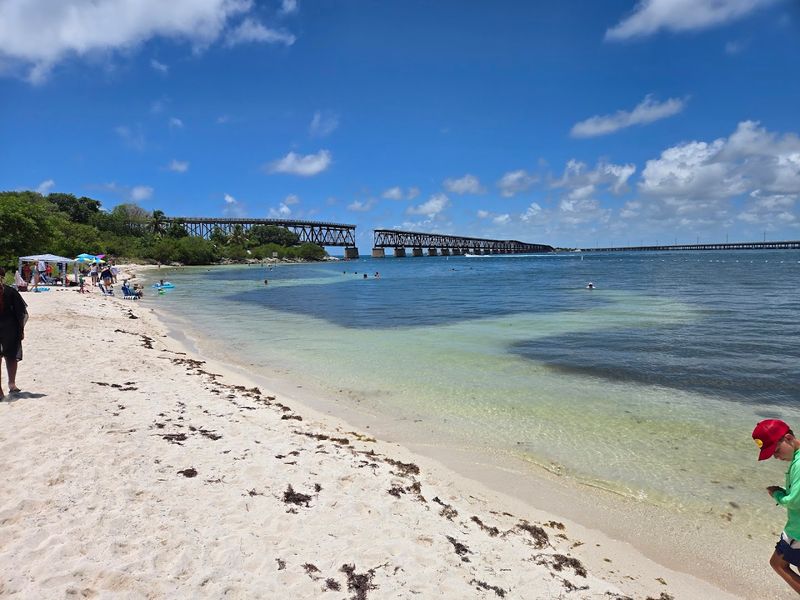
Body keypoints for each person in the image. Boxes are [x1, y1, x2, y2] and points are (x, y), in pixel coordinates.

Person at [753, 419, 800, 594]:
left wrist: (777, 494)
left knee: (777, 564)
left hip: (798, 531)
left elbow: (795, 501)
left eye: (776, 451)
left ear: (788, 438)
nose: (776, 457)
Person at [0, 267, 27, 401]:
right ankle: (12, 384)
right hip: (10, 328)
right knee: (10, 356)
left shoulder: (11, 292)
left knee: (7, 356)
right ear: (3, 277)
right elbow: (21, 314)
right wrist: (21, 330)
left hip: (9, 328)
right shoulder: (11, 291)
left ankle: (6, 387)